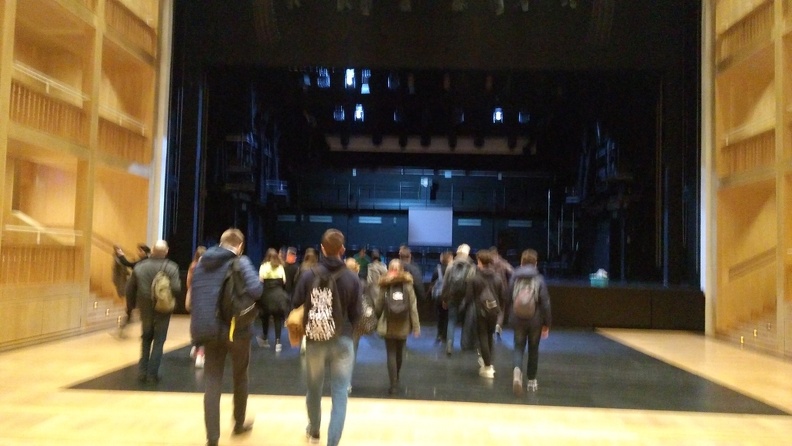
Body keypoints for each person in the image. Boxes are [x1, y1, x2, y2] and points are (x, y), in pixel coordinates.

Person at [190, 228, 263, 446]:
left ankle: (212, 438)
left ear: (221, 243)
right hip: (236, 330)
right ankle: (238, 424)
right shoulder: (241, 261)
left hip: (209, 329)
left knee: (212, 382)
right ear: (239, 246)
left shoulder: (201, 263)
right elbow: (256, 290)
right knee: (240, 376)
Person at [292, 228, 361, 446]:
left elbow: (296, 304)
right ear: (342, 249)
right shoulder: (352, 278)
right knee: (340, 392)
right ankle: (333, 442)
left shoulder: (308, 275)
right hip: (343, 340)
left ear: (322, 249)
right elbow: (357, 315)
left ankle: (314, 431)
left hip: (315, 340)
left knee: (314, 388)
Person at [124, 240, 180, 383]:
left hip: (145, 307)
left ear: (152, 251)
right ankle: (152, 374)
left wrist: (130, 307)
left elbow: (129, 289)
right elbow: (176, 288)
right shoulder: (172, 267)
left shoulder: (139, 267)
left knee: (146, 338)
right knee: (159, 340)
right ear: (166, 252)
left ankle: (142, 372)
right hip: (163, 308)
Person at [374, 259, 420, 394]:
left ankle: (393, 384)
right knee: (399, 353)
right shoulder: (408, 285)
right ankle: (397, 376)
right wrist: (416, 327)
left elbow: (379, 305)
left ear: (389, 270)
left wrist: (376, 319)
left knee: (391, 354)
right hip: (403, 324)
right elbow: (413, 307)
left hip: (388, 323)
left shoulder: (384, 284)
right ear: (401, 270)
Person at [509, 248, 552, 394]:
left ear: (521, 262)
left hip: (518, 319)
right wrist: (546, 324)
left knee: (518, 347)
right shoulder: (539, 279)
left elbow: (507, 297)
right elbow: (545, 303)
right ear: (536, 263)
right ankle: (532, 381)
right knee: (533, 349)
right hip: (535, 320)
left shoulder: (514, 277)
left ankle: (517, 371)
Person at [465, 248, 506, 378]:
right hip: (494, 312)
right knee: (490, 336)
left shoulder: (474, 279)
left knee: (482, 336)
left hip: (480, 312)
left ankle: (487, 366)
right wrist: (499, 309)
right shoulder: (497, 278)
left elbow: (469, 297)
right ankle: (489, 363)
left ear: (480, 261)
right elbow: (503, 296)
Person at [441, 243, 476, 355]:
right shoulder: (471, 266)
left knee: (451, 321)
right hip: (466, 298)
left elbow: (445, 284)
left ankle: (449, 344)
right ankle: (464, 345)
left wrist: (444, 298)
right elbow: (472, 285)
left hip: (452, 297)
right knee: (466, 322)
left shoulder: (451, 265)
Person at [113, 243, 151, 338]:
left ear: (145, 252)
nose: (138, 252)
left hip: (140, 290)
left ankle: (144, 332)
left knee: (136, 311)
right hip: (140, 289)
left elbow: (128, 264)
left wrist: (121, 254)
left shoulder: (143, 262)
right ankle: (124, 330)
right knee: (131, 310)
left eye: (140, 251)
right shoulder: (146, 261)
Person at [258, 248, 290, 352]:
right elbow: (284, 281)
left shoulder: (263, 266)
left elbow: (260, 280)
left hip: (266, 295)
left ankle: (265, 339)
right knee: (277, 318)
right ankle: (278, 342)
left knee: (265, 318)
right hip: (278, 295)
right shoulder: (280, 266)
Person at [186, 245, 208, 367]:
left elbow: (188, 283)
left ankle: (195, 346)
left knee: (195, 324)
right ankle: (200, 354)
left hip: (194, 298)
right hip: (205, 299)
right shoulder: (207, 267)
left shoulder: (192, 266)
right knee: (205, 326)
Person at [490, 246, 514, 339]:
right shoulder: (503, 262)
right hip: (502, 290)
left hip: (491, 290)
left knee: (492, 309)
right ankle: (498, 327)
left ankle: (491, 328)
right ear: (497, 253)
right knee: (501, 310)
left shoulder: (488, 263)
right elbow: (512, 271)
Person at [429, 251, 453, 344]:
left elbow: (432, 283)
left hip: (438, 296)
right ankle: (445, 336)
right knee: (448, 317)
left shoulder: (437, 269)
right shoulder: (453, 269)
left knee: (440, 316)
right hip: (450, 296)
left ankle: (439, 334)